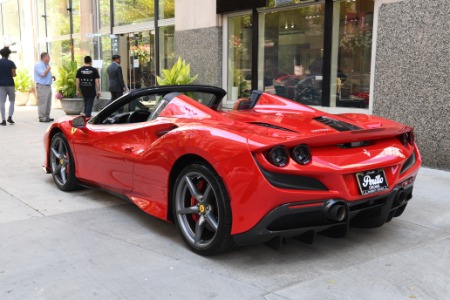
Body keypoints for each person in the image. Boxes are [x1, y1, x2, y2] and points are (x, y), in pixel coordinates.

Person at [34, 52, 54, 122]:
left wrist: (52, 76)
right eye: (48, 57)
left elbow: (46, 74)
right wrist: (48, 69)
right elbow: (43, 74)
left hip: (48, 85)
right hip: (42, 86)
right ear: (44, 58)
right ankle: (42, 117)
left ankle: (47, 116)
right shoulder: (38, 65)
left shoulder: (46, 65)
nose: (49, 59)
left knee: (48, 102)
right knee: (43, 102)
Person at [0, 46, 16, 126]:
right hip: (10, 84)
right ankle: (10, 116)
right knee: (12, 101)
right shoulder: (11, 63)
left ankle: (3, 120)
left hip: (1, 85)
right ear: (8, 54)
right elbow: (13, 74)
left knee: (2, 102)